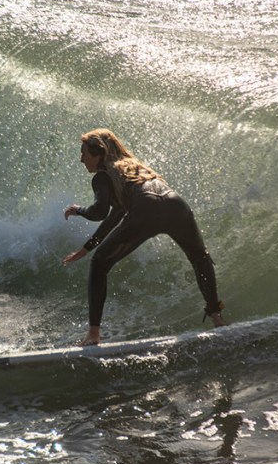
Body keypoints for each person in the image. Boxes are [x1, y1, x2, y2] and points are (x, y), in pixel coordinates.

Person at [63, 128, 227, 346]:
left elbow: (100, 212)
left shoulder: (103, 175)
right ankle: (217, 317)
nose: (81, 159)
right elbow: (114, 216)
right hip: (175, 204)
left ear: (99, 154)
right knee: (199, 257)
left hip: (146, 209)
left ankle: (93, 334)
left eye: (84, 153)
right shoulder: (134, 168)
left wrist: (79, 210)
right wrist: (86, 249)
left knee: (100, 264)